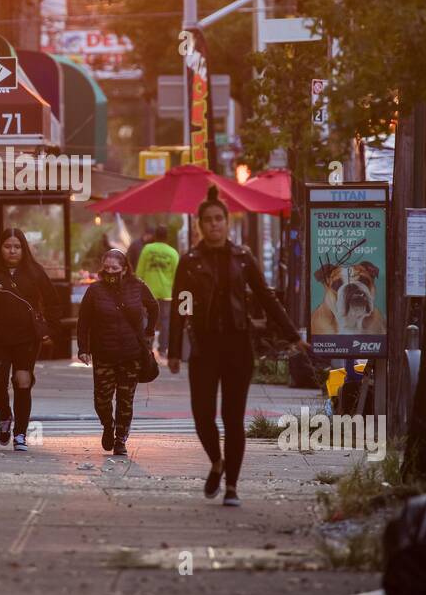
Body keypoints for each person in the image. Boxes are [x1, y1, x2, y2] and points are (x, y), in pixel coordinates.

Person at [168, 186, 309, 506]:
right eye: (209, 220)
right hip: (204, 348)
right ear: (200, 225)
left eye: (220, 219)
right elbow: (181, 305)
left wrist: (292, 335)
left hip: (237, 347)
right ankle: (216, 462)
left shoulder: (242, 258)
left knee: (233, 419)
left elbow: (266, 297)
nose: (215, 224)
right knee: (202, 416)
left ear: (227, 222)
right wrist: (175, 350)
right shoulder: (190, 262)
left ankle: (231, 486)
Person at [0, 228, 59, 452]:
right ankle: (5, 416)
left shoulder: (34, 271)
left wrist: (49, 329)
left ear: (24, 249)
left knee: (22, 382)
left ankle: (20, 434)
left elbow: (53, 301)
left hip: (27, 339)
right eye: (8, 246)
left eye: (17, 247)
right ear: (0, 248)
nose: (12, 251)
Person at [76, 249, 158, 456]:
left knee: (125, 400)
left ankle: (121, 439)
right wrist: (83, 349)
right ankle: (107, 425)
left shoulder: (137, 286)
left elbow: (154, 306)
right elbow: (83, 321)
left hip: (131, 354)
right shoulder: (95, 291)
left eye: (115, 268)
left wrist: (149, 332)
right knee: (101, 400)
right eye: (107, 268)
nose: (111, 272)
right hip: (104, 353)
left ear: (125, 269)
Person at [135, 224, 179, 357]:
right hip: (166, 293)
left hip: (149, 292)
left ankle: (147, 346)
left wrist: (137, 288)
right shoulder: (173, 253)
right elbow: (177, 276)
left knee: (147, 319)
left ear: (155, 236)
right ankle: (163, 349)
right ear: (167, 237)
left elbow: (139, 271)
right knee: (165, 321)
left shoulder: (147, 249)